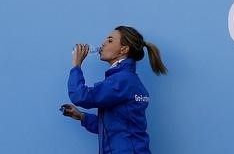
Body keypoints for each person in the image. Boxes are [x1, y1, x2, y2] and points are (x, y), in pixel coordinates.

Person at [61, 26, 168, 154]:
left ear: (123, 49)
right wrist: (82, 117)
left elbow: (81, 96)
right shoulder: (128, 79)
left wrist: (76, 66)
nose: (103, 43)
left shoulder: (122, 80)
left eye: (110, 40)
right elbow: (115, 128)